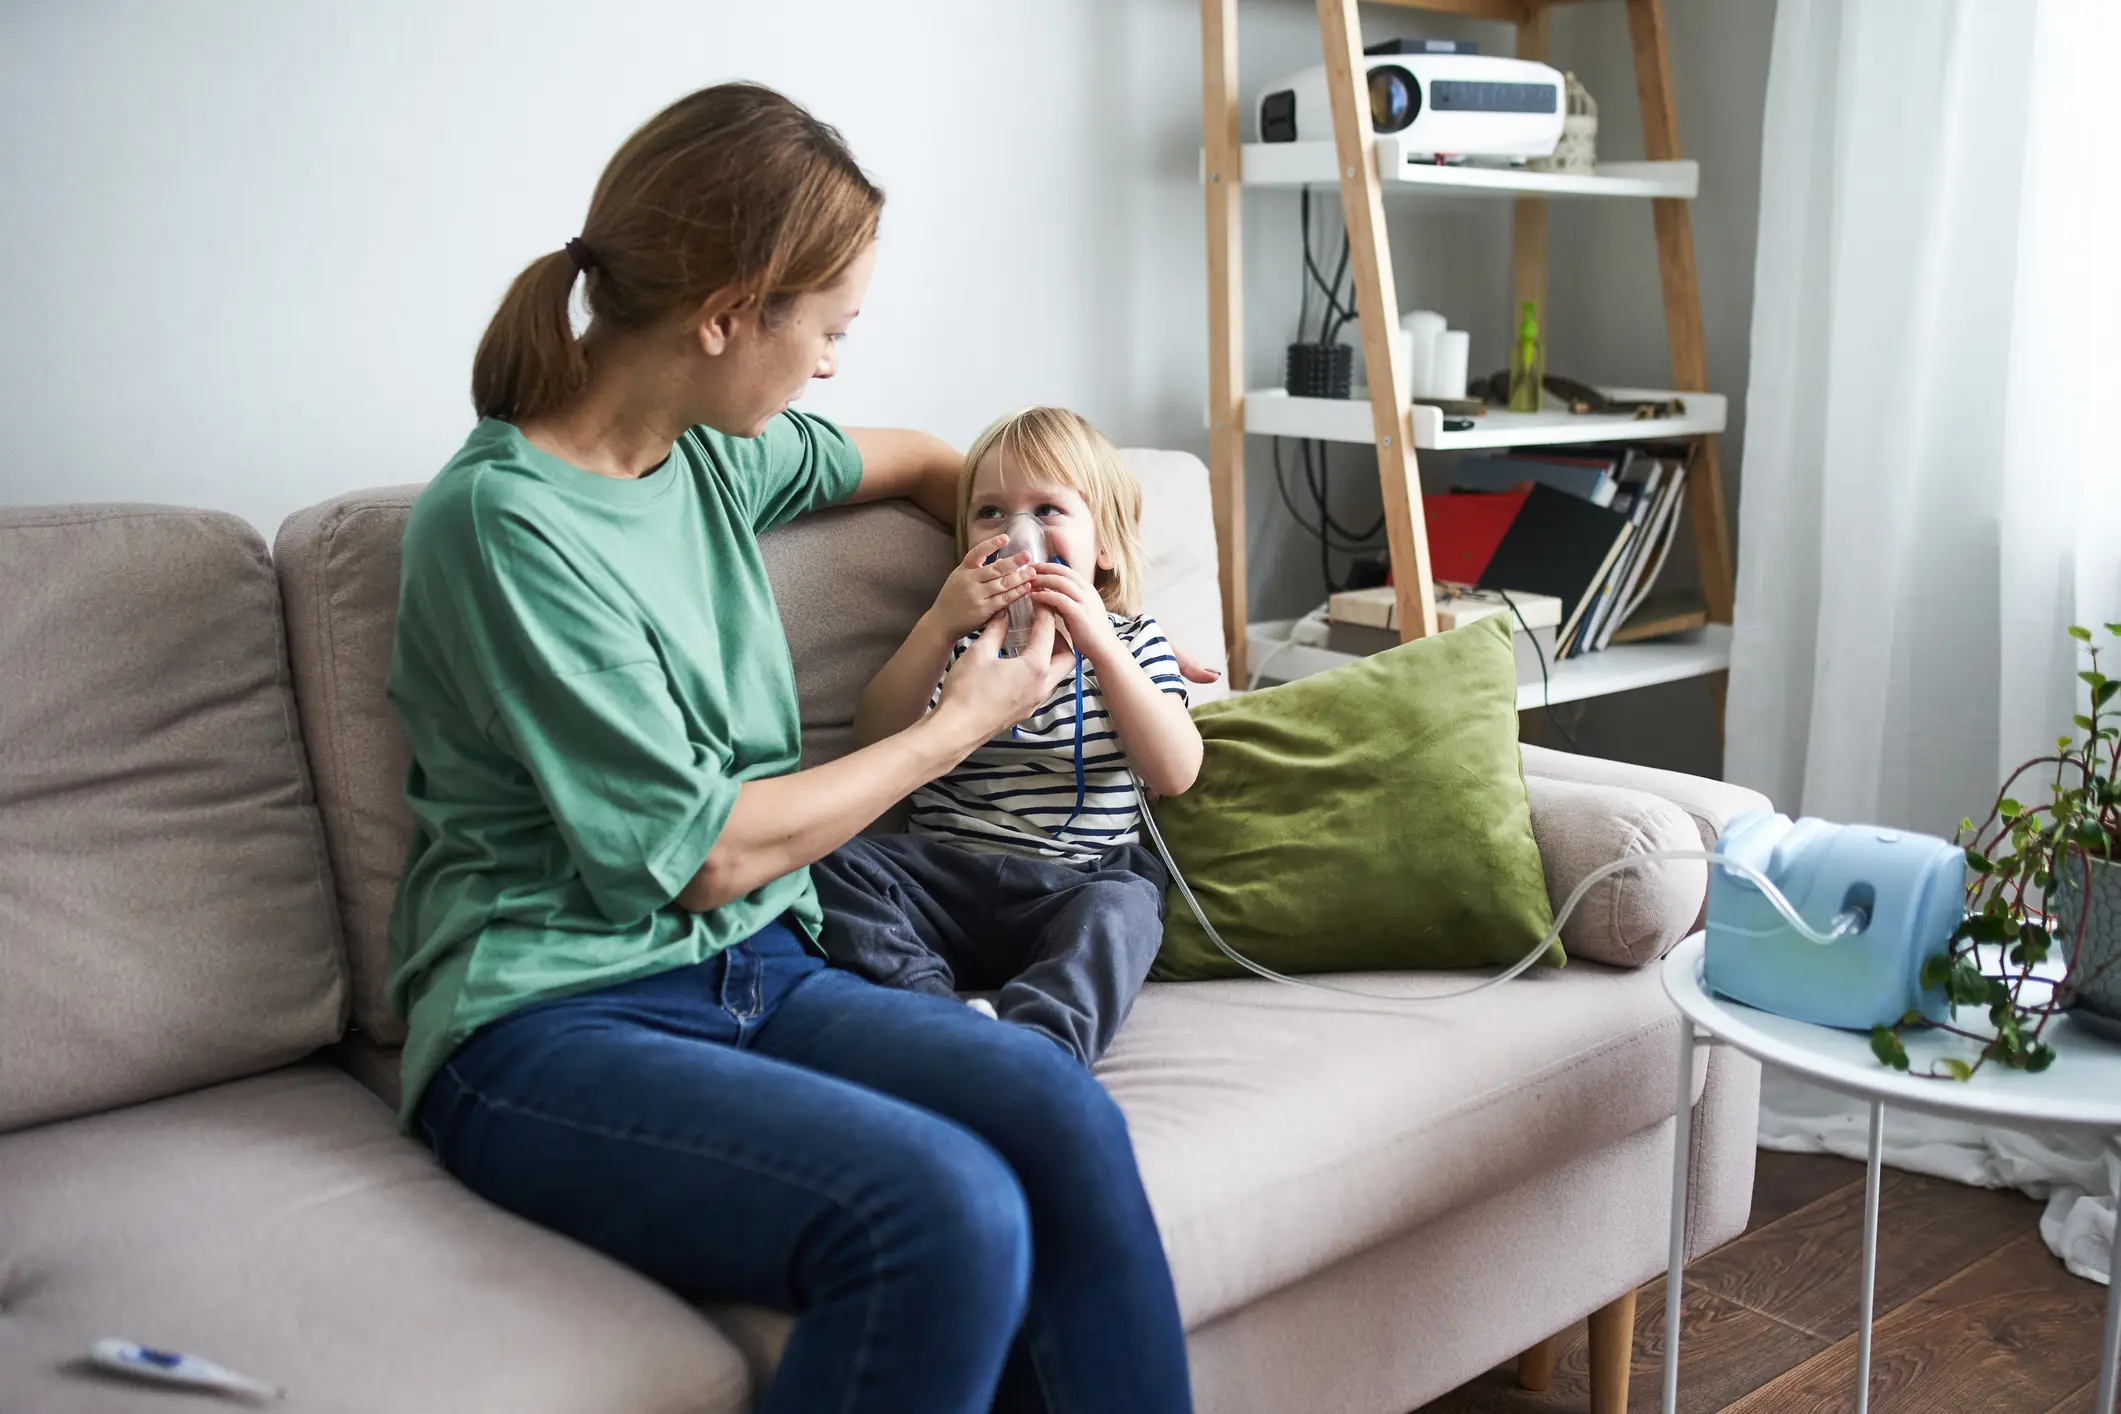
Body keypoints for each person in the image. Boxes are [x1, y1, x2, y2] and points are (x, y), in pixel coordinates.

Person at [384, 83, 1199, 1414]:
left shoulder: (710, 456)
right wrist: (952, 730)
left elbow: (938, 461)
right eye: (825, 329)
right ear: (722, 315)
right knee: (944, 1212)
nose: (830, 363)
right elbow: (703, 857)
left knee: (1056, 1111)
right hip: (549, 1018)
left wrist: (1055, 578)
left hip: (762, 966)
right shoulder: (502, 528)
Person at [812, 407, 1202, 1064]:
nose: (1019, 533)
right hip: (947, 878)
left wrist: (1105, 650)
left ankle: (1037, 1045)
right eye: (990, 513)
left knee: (1126, 905)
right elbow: (877, 735)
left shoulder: (1137, 644)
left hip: (1074, 884)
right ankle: (935, 1022)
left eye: (1047, 510)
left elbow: (1175, 771)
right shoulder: (960, 645)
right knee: (824, 863)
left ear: (1103, 544)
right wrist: (938, 626)